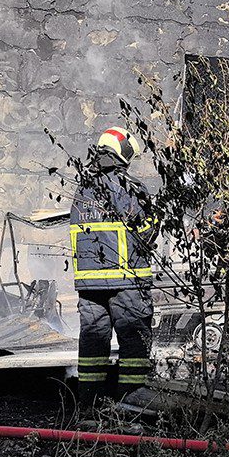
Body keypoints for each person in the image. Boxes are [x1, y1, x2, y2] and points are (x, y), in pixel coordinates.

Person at [70, 126, 157, 404]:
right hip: (126, 281)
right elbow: (143, 231)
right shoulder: (126, 186)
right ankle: (132, 406)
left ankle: (89, 407)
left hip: (89, 285)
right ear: (123, 152)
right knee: (134, 345)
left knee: (93, 343)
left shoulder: (83, 188)